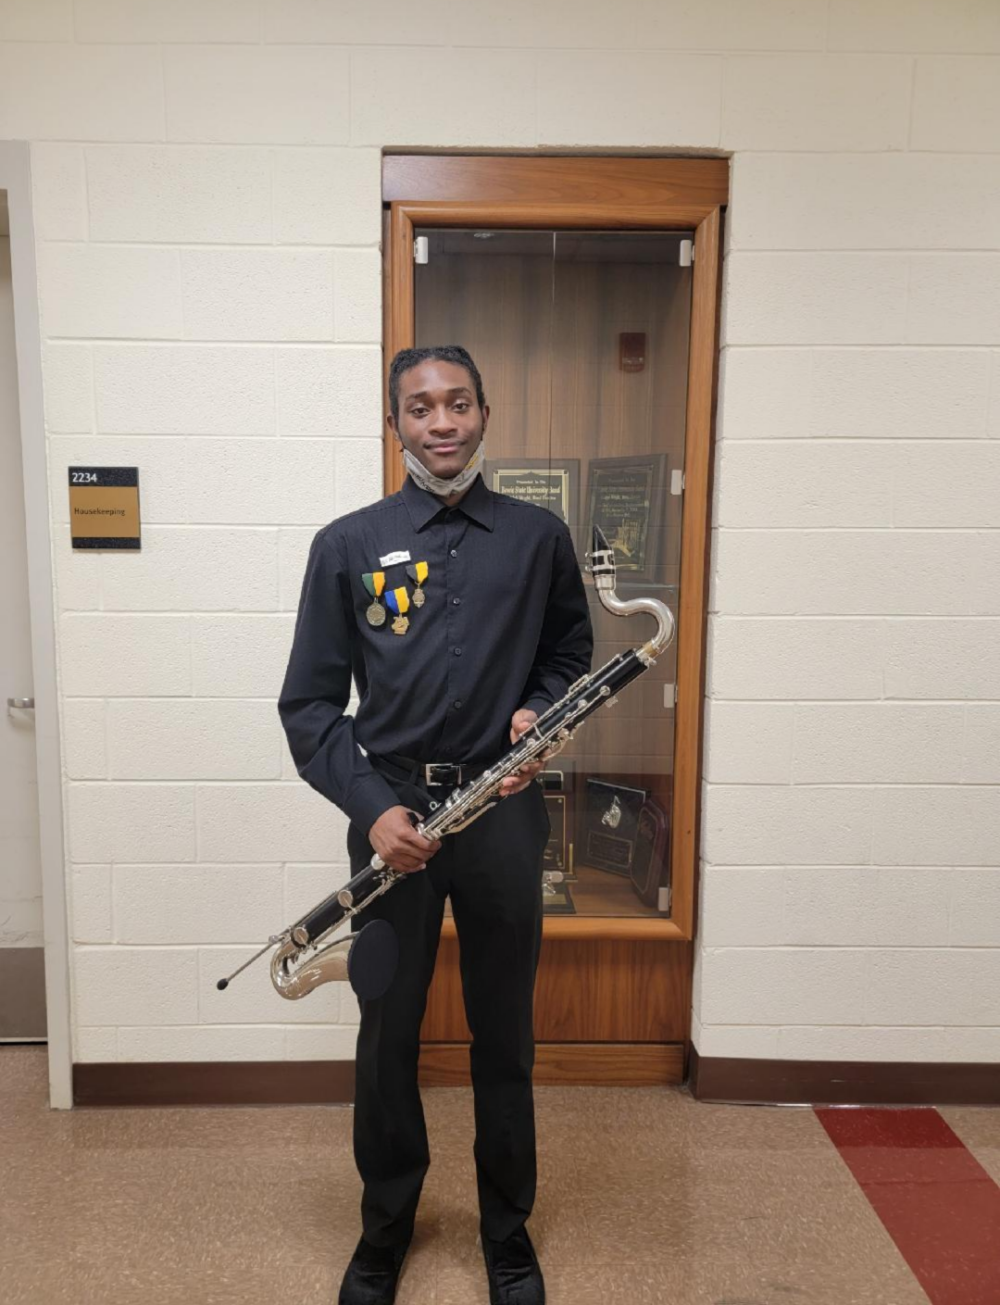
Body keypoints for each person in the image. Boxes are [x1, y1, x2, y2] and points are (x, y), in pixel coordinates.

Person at [278, 344, 593, 1305]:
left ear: (484, 413)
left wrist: (540, 713)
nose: (442, 422)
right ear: (396, 424)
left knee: (505, 1031)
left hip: (502, 814)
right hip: (392, 824)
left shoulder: (538, 537)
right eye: (420, 408)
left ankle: (508, 1233)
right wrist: (373, 811)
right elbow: (310, 706)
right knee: (386, 1034)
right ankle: (385, 1230)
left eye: (458, 403)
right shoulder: (346, 544)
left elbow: (569, 655)